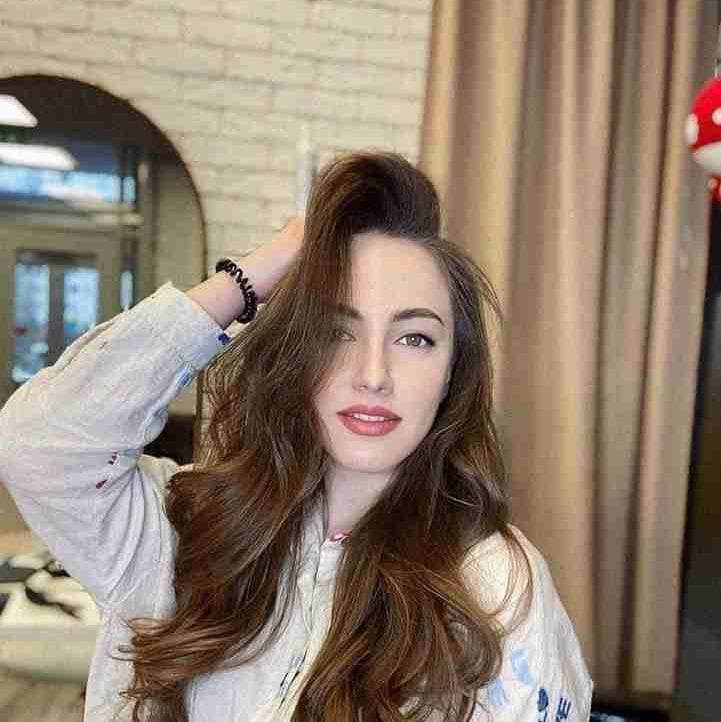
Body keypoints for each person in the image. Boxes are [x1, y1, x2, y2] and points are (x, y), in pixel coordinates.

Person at [0, 150, 593, 721]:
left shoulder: (494, 584)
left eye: (414, 338)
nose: (373, 374)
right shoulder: (181, 530)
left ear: (451, 375)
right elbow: (36, 445)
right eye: (336, 331)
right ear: (298, 353)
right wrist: (262, 269)